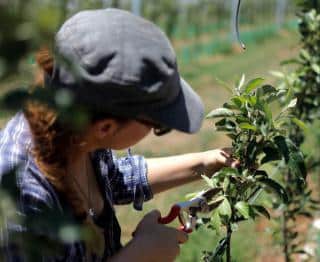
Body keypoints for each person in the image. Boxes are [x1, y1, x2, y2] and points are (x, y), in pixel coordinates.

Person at [0, 8, 238, 261]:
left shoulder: (79, 131)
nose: (157, 130)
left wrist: (205, 163)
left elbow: (112, 179)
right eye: (159, 125)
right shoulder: (21, 198)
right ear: (105, 128)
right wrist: (139, 255)